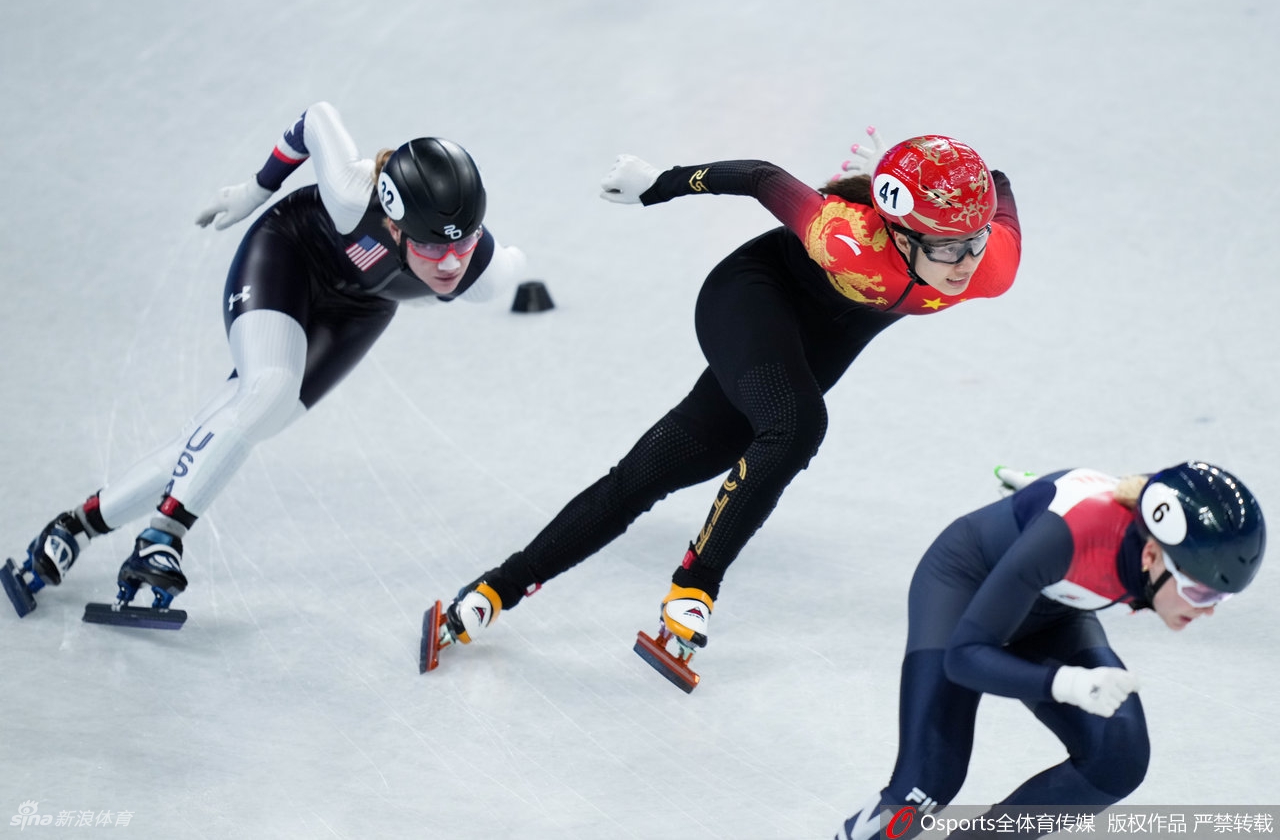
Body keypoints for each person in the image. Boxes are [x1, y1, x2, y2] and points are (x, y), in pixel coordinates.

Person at [421, 129, 1023, 684]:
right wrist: (657, 185)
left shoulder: (990, 265)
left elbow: (998, 187)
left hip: (826, 338)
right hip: (753, 296)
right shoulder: (841, 235)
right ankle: (695, 586)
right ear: (897, 232)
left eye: (972, 243)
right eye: (946, 249)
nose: (965, 265)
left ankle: (493, 591)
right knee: (797, 424)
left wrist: (912, 191)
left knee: (656, 470)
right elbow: (761, 176)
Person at [3, 101, 523, 620]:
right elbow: (315, 117)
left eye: (466, 242)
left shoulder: (481, 271)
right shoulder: (351, 195)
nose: (453, 262)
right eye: (433, 249)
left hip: (359, 311)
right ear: (391, 225)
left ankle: (76, 526)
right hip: (288, 254)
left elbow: (502, 267)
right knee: (268, 389)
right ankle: (164, 532)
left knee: (238, 424)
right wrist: (254, 191)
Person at [835, 461, 1266, 840]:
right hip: (965, 589)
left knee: (1118, 755)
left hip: (1051, 606)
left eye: (1221, 599)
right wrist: (1066, 682)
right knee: (927, 785)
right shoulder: (1069, 538)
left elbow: (1122, 488)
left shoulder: (1154, 528)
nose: (1206, 609)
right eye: (1199, 591)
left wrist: (1036, 494)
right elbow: (964, 657)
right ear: (1151, 554)